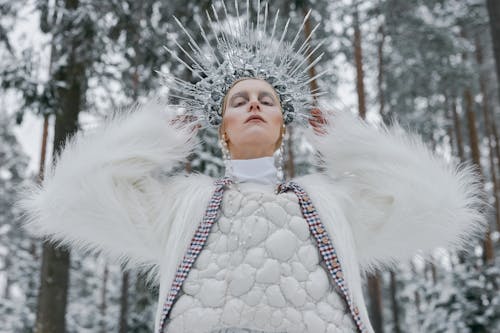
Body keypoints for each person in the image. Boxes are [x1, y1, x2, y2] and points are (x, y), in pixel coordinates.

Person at [19, 2, 488, 333]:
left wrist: (355, 144)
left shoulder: (330, 202)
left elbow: (442, 209)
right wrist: (149, 138)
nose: (254, 105)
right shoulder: (180, 205)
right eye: (239, 100)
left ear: (283, 125)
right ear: (223, 127)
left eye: (267, 100)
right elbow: (65, 202)